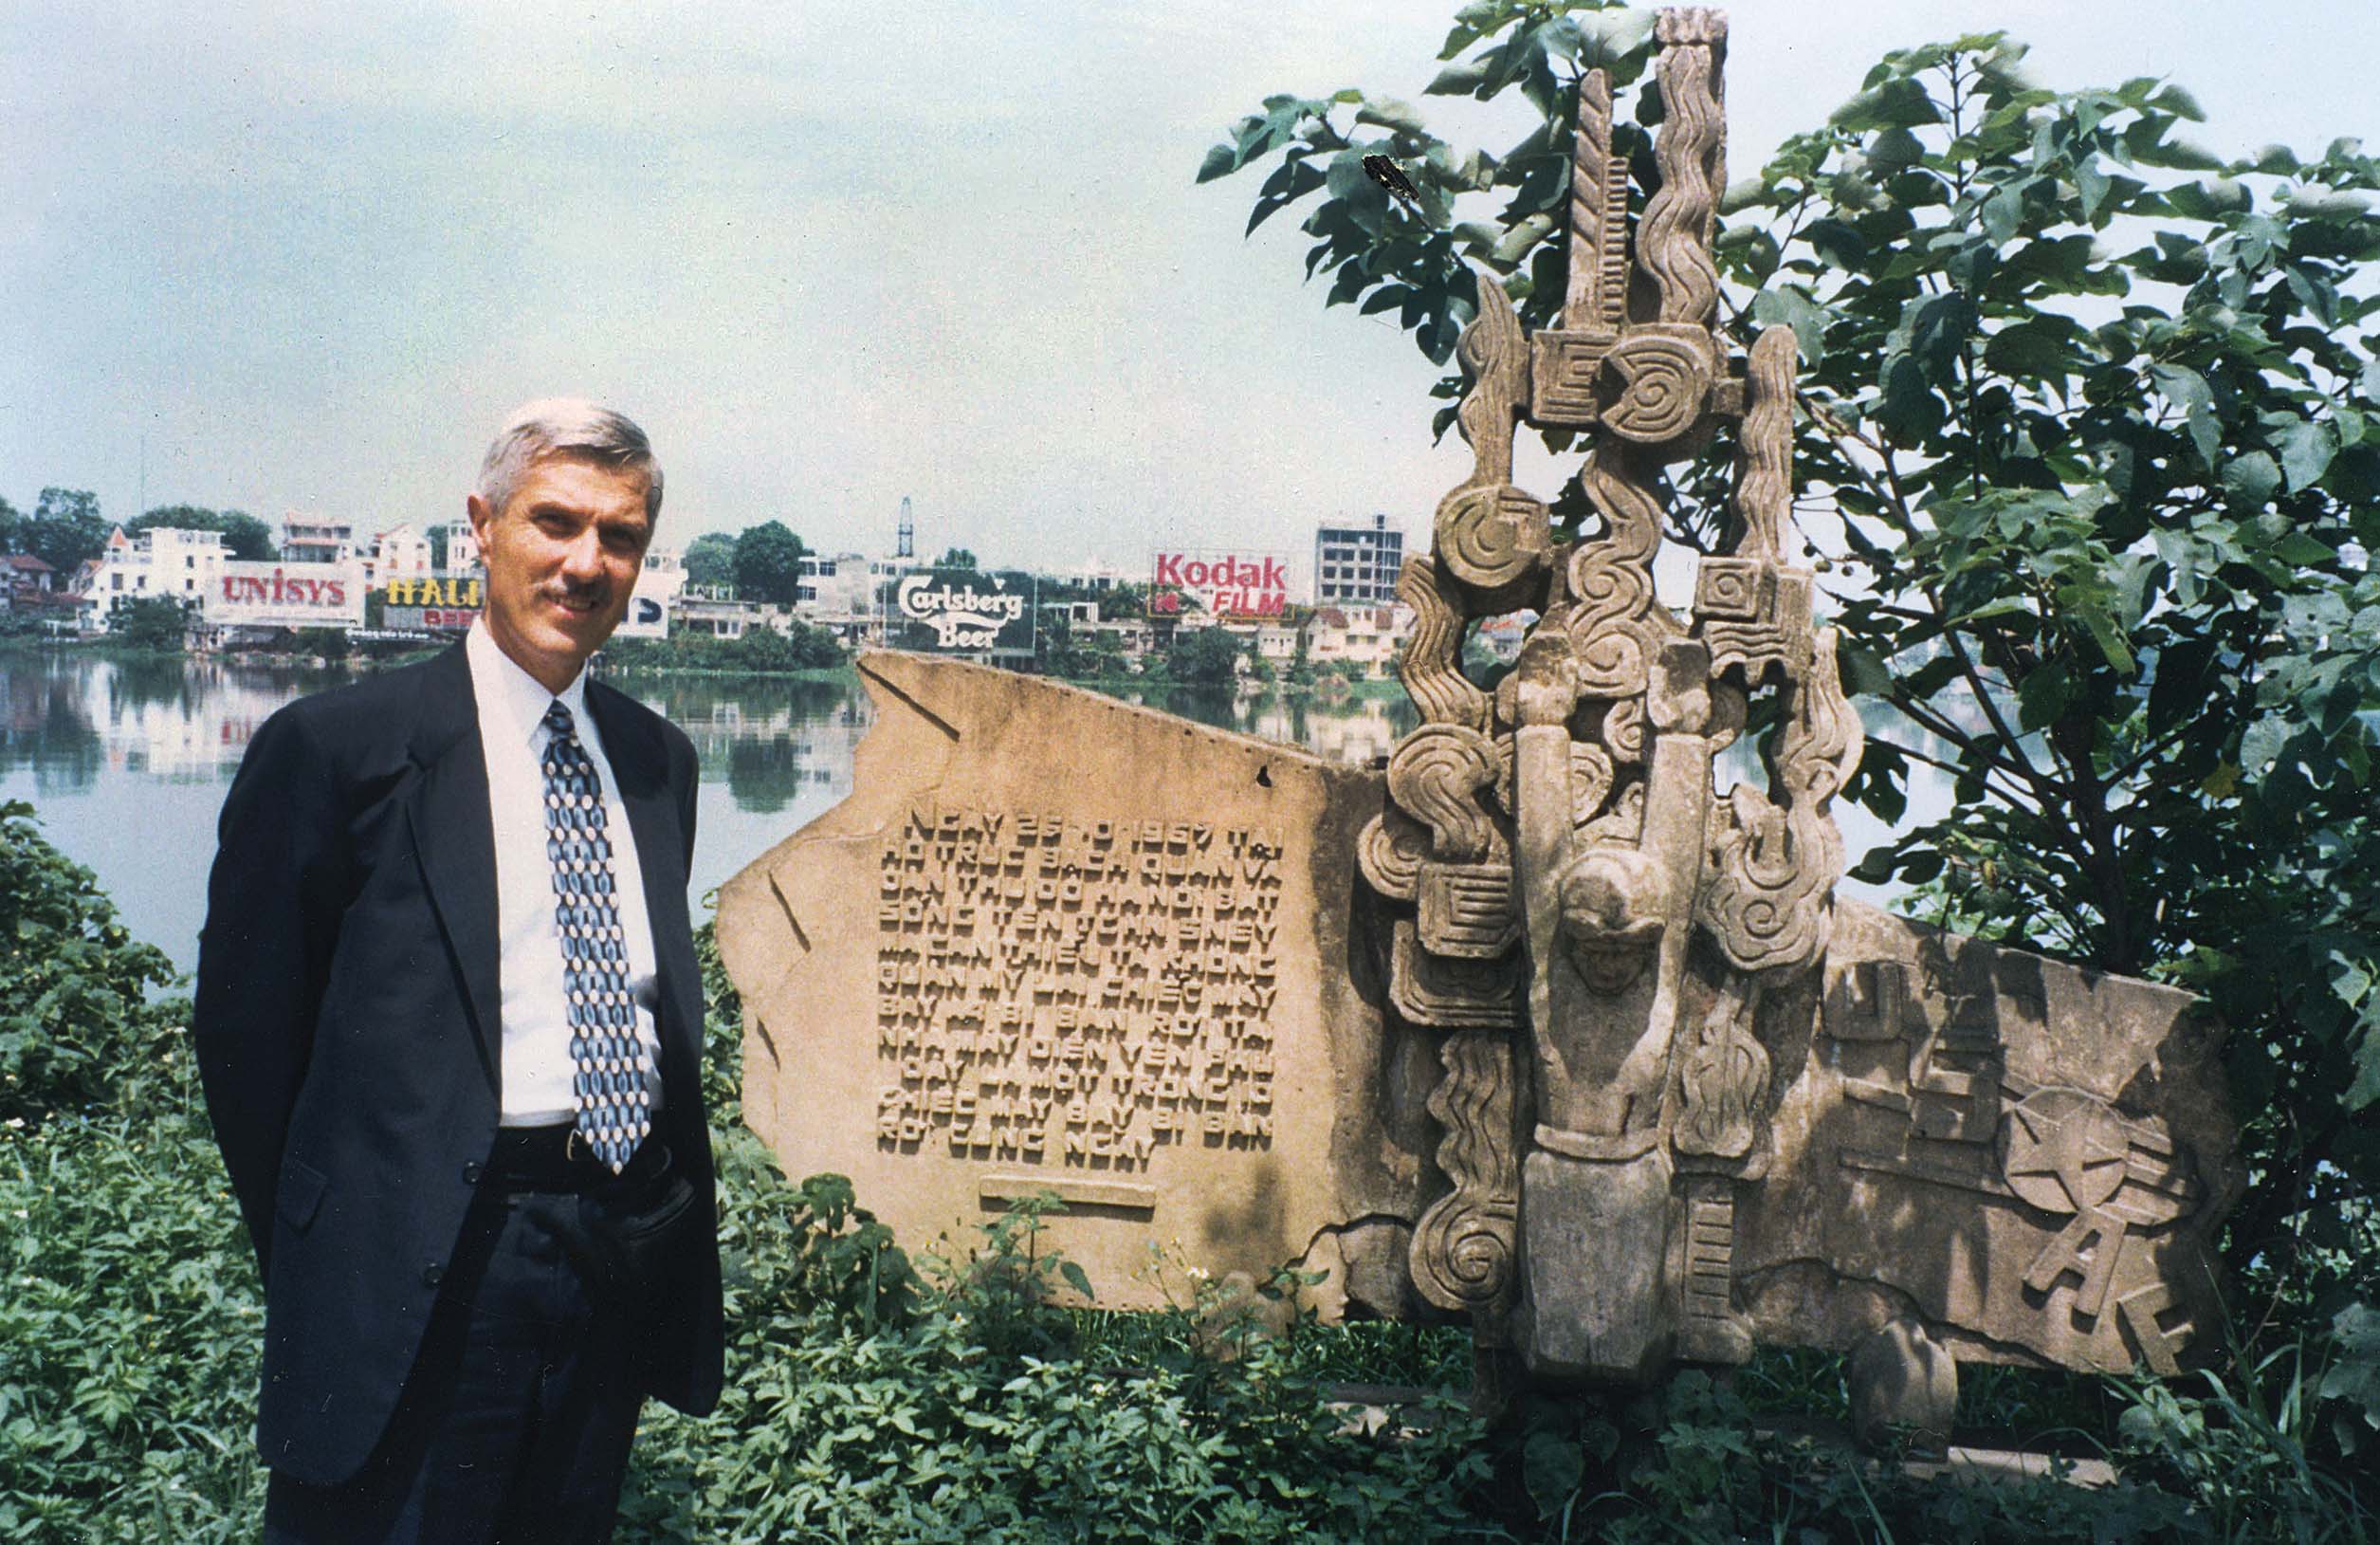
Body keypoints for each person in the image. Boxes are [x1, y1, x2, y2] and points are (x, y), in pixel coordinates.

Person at [193, 400, 723, 1540]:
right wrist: (337, 1243)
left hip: (609, 1250)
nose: (585, 563)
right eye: (555, 522)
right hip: (421, 1257)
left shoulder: (654, 760)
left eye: (618, 537)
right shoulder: (336, 751)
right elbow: (246, 1047)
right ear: (481, 525)